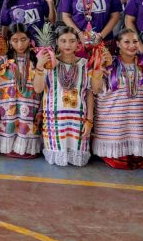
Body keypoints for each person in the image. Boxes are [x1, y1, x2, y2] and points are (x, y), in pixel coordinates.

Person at [32, 26, 101, 167]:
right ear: (56, 42)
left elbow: (90, 92)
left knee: (79, 161)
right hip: (55, 119)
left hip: (78, 120)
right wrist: (39, 66)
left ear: (78, 43)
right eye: (63, 41)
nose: (68, 45)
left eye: (72, 41)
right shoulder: (48, 63)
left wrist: (89, 120)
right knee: (57, 160)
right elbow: (38, 89)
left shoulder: (84, 64)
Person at [92, 29, 143, 169]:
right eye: (126, 42)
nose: (132, 45)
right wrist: (98, 70)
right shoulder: (109, 63)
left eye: (135, 41)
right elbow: (96, 90)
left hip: (136, 119)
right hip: (113, 123)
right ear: (118, 44)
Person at [0, 23, 41, 158]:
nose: (20, 45)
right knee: (10, 124)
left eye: (23, 40)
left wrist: (41, 110)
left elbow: (44, 88)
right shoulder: (3, 59)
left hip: (30, 106)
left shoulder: (36, 59)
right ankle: (10, 147)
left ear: (30, 40)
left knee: (27, 126)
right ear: (9, 41)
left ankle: (27, 149)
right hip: (7, 106)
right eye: (15, 40)